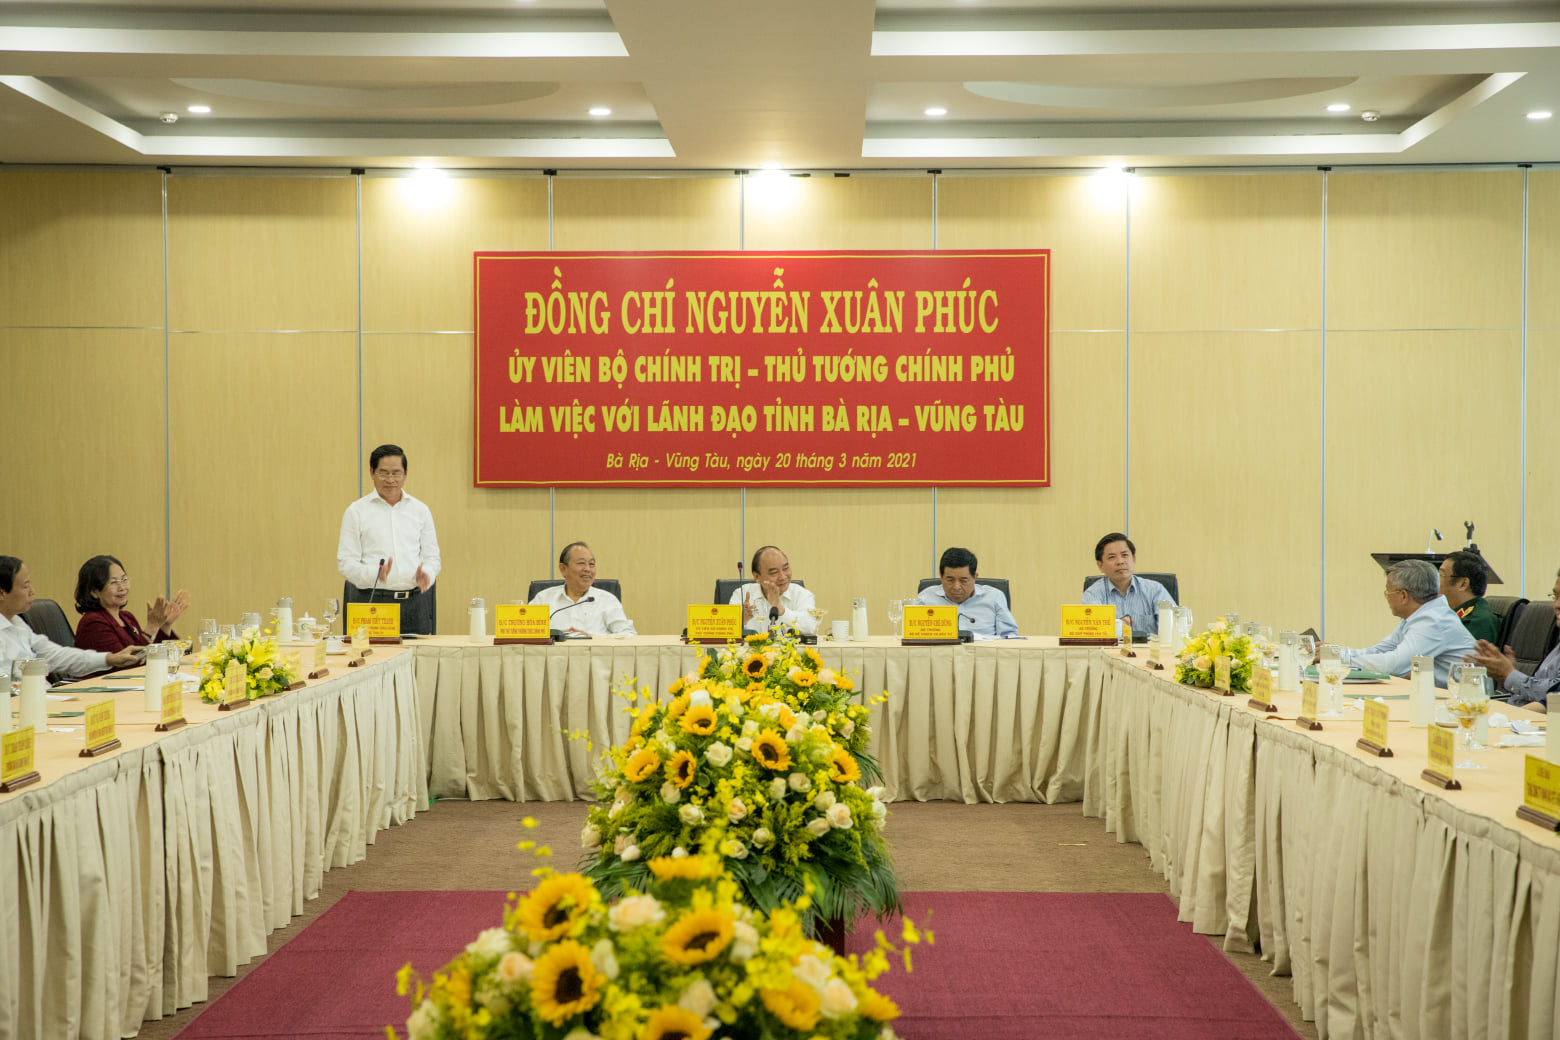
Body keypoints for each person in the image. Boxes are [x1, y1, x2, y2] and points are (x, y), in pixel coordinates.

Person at [337, 444, 441, 635]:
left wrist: (427, 573)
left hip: (415, 602)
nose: (390, 479)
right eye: (383, 473)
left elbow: (432, 557)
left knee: (419, 654)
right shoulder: (356, 511)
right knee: (369, 654)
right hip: (372, 602)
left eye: (396, 473)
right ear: (372, 472)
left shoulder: (420, 510)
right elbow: (346, 562)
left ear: (405, 474)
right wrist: (375, 574)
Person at [1337, 559, 1474, 687]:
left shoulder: (1434, 621)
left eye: (1388, 592)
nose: (1387, 597)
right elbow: (1381, 650)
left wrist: (1338, 660)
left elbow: (1394, 665)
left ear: (1403, 595)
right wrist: (1338, 654)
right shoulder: (1419, 616)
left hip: (1464, 699)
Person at [0, 556, 139, 681]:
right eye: (25, 586)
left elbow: (57, 656)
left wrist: (109, 659)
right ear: (2, 593)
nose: (32, 591)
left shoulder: (17, 624)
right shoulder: (94, 621)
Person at [73, 555, 191, 668]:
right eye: (114, 582)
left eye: (124, 579)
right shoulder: (93, 623)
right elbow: (126, 666)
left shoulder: (127, 617)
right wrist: (152, 627)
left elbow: (157, 655)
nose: (122, 587)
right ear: (94, 592)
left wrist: (164, 625)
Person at [1467, 568, 1560, 709]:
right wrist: (1507, 673)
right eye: (1556, 596)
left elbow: (1552, 699)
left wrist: (1509, 674)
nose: (1556, 605)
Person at [529, 542, 636, 636]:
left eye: (591, 564)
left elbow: (629, 635)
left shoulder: (607, 600)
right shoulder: (543, 599)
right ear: (563, 569)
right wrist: (555, 637)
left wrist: (591, 638)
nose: (587, 569)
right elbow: (526, 633)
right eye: (581, 563)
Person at [1081, 532, 1176, 635]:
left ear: (1133, 559)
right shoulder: (1093, 594)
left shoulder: (1155, 590)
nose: (1120, 561)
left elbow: (1175, 627)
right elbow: (1093, 630)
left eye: (1125, 555)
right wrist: (1115, 626)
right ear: (1100, 565)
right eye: (1112, 557)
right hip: (1112, 645)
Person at [914, 546, 1017, 639]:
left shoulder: (994, 597)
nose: (956, 587)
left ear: (975, 577)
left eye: (963, 580)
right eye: (950, 580)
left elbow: (1010, 637)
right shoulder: (926, 598)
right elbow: (914, 636)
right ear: (941, 576)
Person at [730, 546, 817, 635]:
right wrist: (741, 620)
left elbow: (810, 627)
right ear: (757, 577)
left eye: (785, 568)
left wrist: (780, 608)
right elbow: (727, 630)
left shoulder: (802, 594)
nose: (783, 577)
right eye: (774, 572)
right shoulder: (741, 594)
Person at [1439, 550, 1499, 644]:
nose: (1435, 581)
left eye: (1441, 575)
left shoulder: (1478, 622)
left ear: (1463, 584)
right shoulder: (1453, 613)